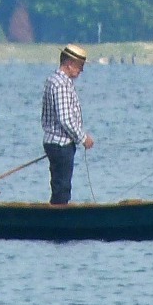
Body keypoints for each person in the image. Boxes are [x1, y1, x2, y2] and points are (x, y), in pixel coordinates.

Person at [41, 44, 94, 204]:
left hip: (53, 142)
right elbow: (65, 118)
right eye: (80, 66)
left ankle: (56, 216)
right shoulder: (61, 84)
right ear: (69, 63)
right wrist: (83, 138)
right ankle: (58, 219)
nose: (81, 70)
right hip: (60, 144)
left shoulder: (53, 80)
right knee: (62, 188)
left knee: (59, 185)